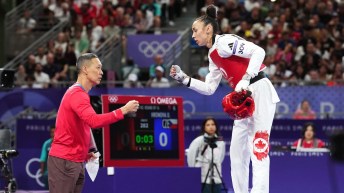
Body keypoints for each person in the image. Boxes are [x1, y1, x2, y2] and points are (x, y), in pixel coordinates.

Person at [170, 5, 280, 193]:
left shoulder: (224, 42)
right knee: (237, 154)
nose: (193, 35)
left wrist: (245, 78)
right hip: (242, 97)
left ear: (208, 29)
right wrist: (185, 79)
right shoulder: (213, 55)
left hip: (259, 89)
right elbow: (209, 88)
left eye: (195, 30)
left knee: (258, 147)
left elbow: (259, 52)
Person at [48, 53, 139, 193]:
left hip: (76, 160)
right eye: (98, 67)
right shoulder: (77, 94)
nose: (101, 72)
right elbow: (94, 121)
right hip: (65, 161)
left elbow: (84, 125)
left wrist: (87, 151)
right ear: (85, 69)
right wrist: (123, 110)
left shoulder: (81, 94)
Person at [187, 117, 226, 193]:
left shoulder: (220, 142)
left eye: (213, 124)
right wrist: (194, 172)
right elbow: (191, 157)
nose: (211, 127)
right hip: (202, 177)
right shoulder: (198, 141)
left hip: (217, 177)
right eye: (208, 125)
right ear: (204, 127)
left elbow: (221, 158)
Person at [39, 125, 55, 189]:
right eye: (51, 132)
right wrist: (42, 171)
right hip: (48, 172)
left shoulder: (62, 143)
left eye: (55, 132)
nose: (53, 134)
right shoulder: (46, 143)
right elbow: (43, 158)